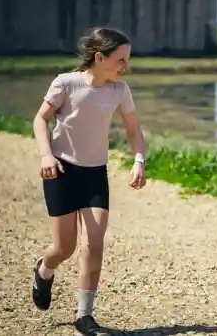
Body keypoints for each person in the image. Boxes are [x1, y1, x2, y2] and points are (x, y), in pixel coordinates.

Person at [30, 27, 147, 336]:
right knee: (64, 247)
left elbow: (134, 131)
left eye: (127, 60)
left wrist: (139, 161)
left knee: (94, 243)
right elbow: (40, 119)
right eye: (120, 60)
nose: (125, 66)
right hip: (62, 171)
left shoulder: (119, 90)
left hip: (95, 173)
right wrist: (46, 156)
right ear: (99, 58)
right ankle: (44, 269)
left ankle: (85, 316)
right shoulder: (65, 84)